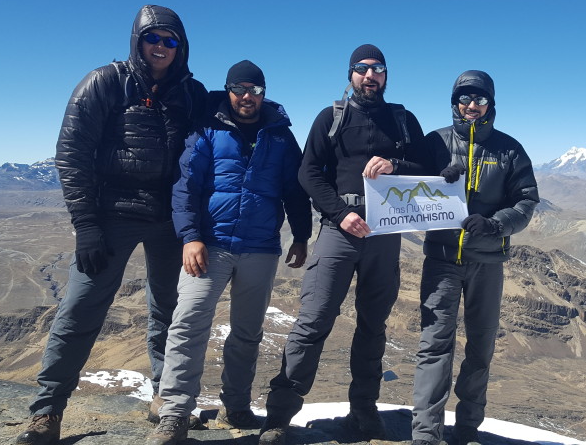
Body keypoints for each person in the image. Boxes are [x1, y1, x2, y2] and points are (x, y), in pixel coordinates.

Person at [17, 5, 208, 445]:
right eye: (153, 38)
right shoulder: (104, 81)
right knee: (80, 310)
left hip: (168, 220)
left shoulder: (191, 93)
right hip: (111, 215)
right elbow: (72, 153)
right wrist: (86, 224)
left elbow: (226, 121)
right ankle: (46, 411)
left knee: (169, 311)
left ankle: (165, 398)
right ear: (137, 40)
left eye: (170, 40)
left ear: (181, 47)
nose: (161, 47)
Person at [258, 44, 426, 445]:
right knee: (314, 320)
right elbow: (308, 172)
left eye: (378, 69)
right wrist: (339, 213)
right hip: (340, 230)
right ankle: (279, 416)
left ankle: (364, 413)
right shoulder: (331, 118)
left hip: (385, 234)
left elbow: (429, 169)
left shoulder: (403, 120)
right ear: (350, 75)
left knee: (373, 325)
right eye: (362, 69)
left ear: (386, 75)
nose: (371, 76)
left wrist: (396, 165)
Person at [147, 60, 313, 445]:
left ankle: (235, 406)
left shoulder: (280, 135)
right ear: (229, 91)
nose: (247, 97)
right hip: (210, 245)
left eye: (255, 90)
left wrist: (302, 235)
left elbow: (294, 189)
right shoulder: (208, 128)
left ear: (263, 93)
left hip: (261, 247)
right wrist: (190, 236)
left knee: (247, 333)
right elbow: (185, 185)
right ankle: (174, 414)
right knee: (187, 323)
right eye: (240, 89)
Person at [410, 70, 539, 445]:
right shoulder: (435, 141)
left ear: (490, 104)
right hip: (442, 259)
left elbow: (527, 201)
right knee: (435, 345)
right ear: (454, 103)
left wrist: (496, 224)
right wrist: (436, 175)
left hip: (487, 262)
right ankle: (425, 435)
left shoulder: (509, 149)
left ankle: (466, 428)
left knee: (480, 346)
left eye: (479, 100)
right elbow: (407, 177)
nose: (471, 106)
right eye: (464, 99)